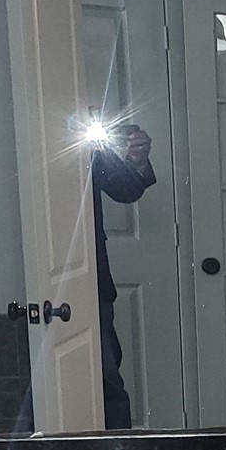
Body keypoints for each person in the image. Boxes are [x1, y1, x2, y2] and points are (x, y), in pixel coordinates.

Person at [89, 122, 154, 429]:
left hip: (92, 279)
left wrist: (137, 159)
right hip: (39, 282)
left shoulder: (89, 147)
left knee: (107, 380)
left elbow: (125, 188)